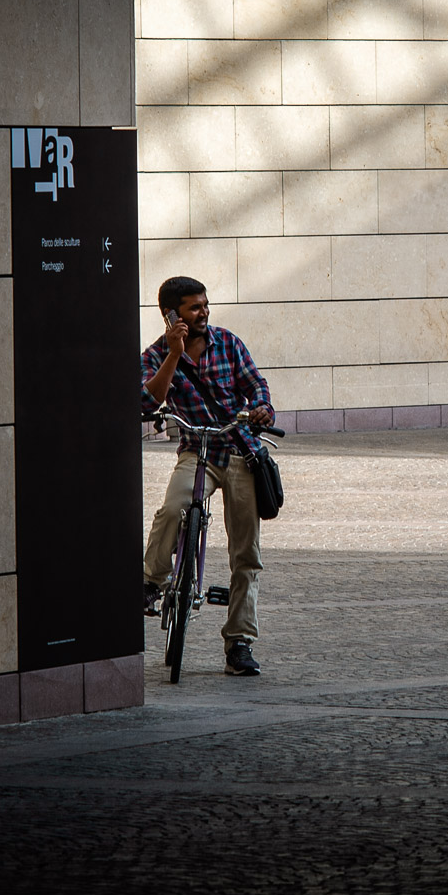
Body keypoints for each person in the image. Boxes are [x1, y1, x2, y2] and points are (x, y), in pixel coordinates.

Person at [141, 275, 275, 677]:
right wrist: (174, 353)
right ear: (171, 314)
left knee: (246, 554)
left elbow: (257, 386)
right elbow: (146, 400)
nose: (204, 312)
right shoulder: (155, 354)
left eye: (205, 305)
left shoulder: (228, 343)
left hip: (239, 451)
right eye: (194, 307)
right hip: (196, 451)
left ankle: (239, 642)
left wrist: (263, 409)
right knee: (172, 508)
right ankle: (151, 583)